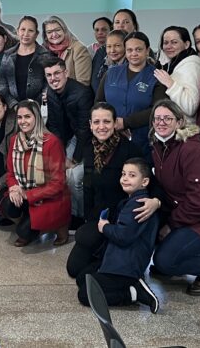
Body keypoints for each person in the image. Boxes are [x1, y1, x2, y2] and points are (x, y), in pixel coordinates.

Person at [147, 99, 200, 296]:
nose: (161, 123)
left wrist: (170, 225)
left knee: (165, 260)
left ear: (180, 122)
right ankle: (170, 260)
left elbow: (199, 204)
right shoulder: (159, 146)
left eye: (167, 118)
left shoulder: (192, 151)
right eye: (157, 118)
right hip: (181, 213)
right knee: (144, 228)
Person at [66, 103, 154, 279]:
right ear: (90, 125)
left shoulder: (130, 149)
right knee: (74, 269)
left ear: (115, 123)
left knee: (86, 274)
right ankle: (101, 251)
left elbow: (150, 182)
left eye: (106, 121)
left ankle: (108, 256)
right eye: (96, 122)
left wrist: (156, 201)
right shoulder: (89, 148)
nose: (101, 126)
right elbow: (89, 187)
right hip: (99, 216)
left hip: (122, 220)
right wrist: (88, 220)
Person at [74, 159, 160, 313]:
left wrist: (105, 227)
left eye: (132, 175)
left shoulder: (139, 205)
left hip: (125, 267)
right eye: (123, 174)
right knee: (82, 279)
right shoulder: (131, 201)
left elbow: (123, 236)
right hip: (117, 261)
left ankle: (133, 293)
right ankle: (129, 286)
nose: (125, 178)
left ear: (145, 181)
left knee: (84, 295)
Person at [0, 99, 70, 247]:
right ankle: (29, 220)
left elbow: (58, 184)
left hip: (48, 198)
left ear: (36, 117)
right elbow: (10, 172)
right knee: (6, 204)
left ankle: (59, 226)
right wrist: (14, 189)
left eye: (27, 116)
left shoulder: (51, 142)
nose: (23, 121)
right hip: (25, 192)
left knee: (23, 232)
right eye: (19, 117)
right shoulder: (14, 140)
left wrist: (28, 195)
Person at [42, 57, 94, 223]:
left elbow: (85, 131)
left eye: (57, 73)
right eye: (49, 75)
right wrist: (60, 155)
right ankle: (64, 213)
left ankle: (81, 217)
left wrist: (75, 159)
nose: (53, 78)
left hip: (89, 140)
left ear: (66, 72)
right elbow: (55, 126)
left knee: (74, 177)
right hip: (68, 138)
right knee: (54, 171)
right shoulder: (50, 92)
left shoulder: (82, 93)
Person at [95, 31, 165, 151]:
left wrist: (126, 123)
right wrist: (111, 122)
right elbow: (99, 103)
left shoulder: (157, 77)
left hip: (143, 140)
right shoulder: (111, 73)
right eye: (129, 50)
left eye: (138, 49)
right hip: (111, 136)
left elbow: (157, 110)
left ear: (147, 50)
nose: (134, 54)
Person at [0, 16, 52, 108]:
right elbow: (2, 85)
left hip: (38, 108)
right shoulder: (7, 55)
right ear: (17, 31)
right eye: (23, 29)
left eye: (31, 30)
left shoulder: (44, 54)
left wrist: (37, 103)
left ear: (36, 34)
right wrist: (13, 105)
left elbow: (49, 82)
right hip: (13, 109)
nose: (26, 34)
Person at [154, 26, 200, 122]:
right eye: (165, 43)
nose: (168, 46)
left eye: (174, 42)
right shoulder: (172, 64)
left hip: (185, 128)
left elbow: (190, 107)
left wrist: (170, 84)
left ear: (186, 44)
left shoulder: (191, 66)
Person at [42, 15, 92, 86]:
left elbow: (83, 84)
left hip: (73, 92)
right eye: (49, 32)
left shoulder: (79, 49)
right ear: (45, 36)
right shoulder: (43, 51)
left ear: (64, 30)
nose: (54, 34)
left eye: (57, 30)